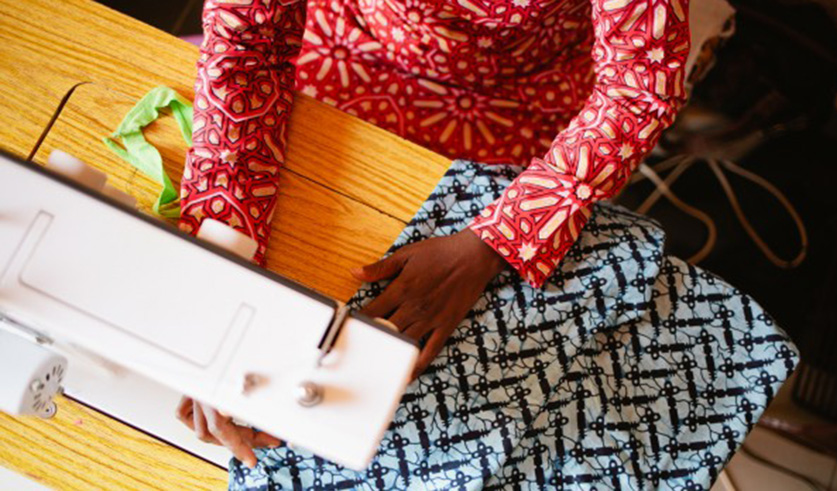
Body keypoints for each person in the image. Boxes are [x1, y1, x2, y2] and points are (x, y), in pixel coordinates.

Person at [176, 0, 690, 471]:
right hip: (339, 52)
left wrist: (498, 238)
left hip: (515, 108)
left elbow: (637, 87)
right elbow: (248, 42)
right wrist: (225, 259)